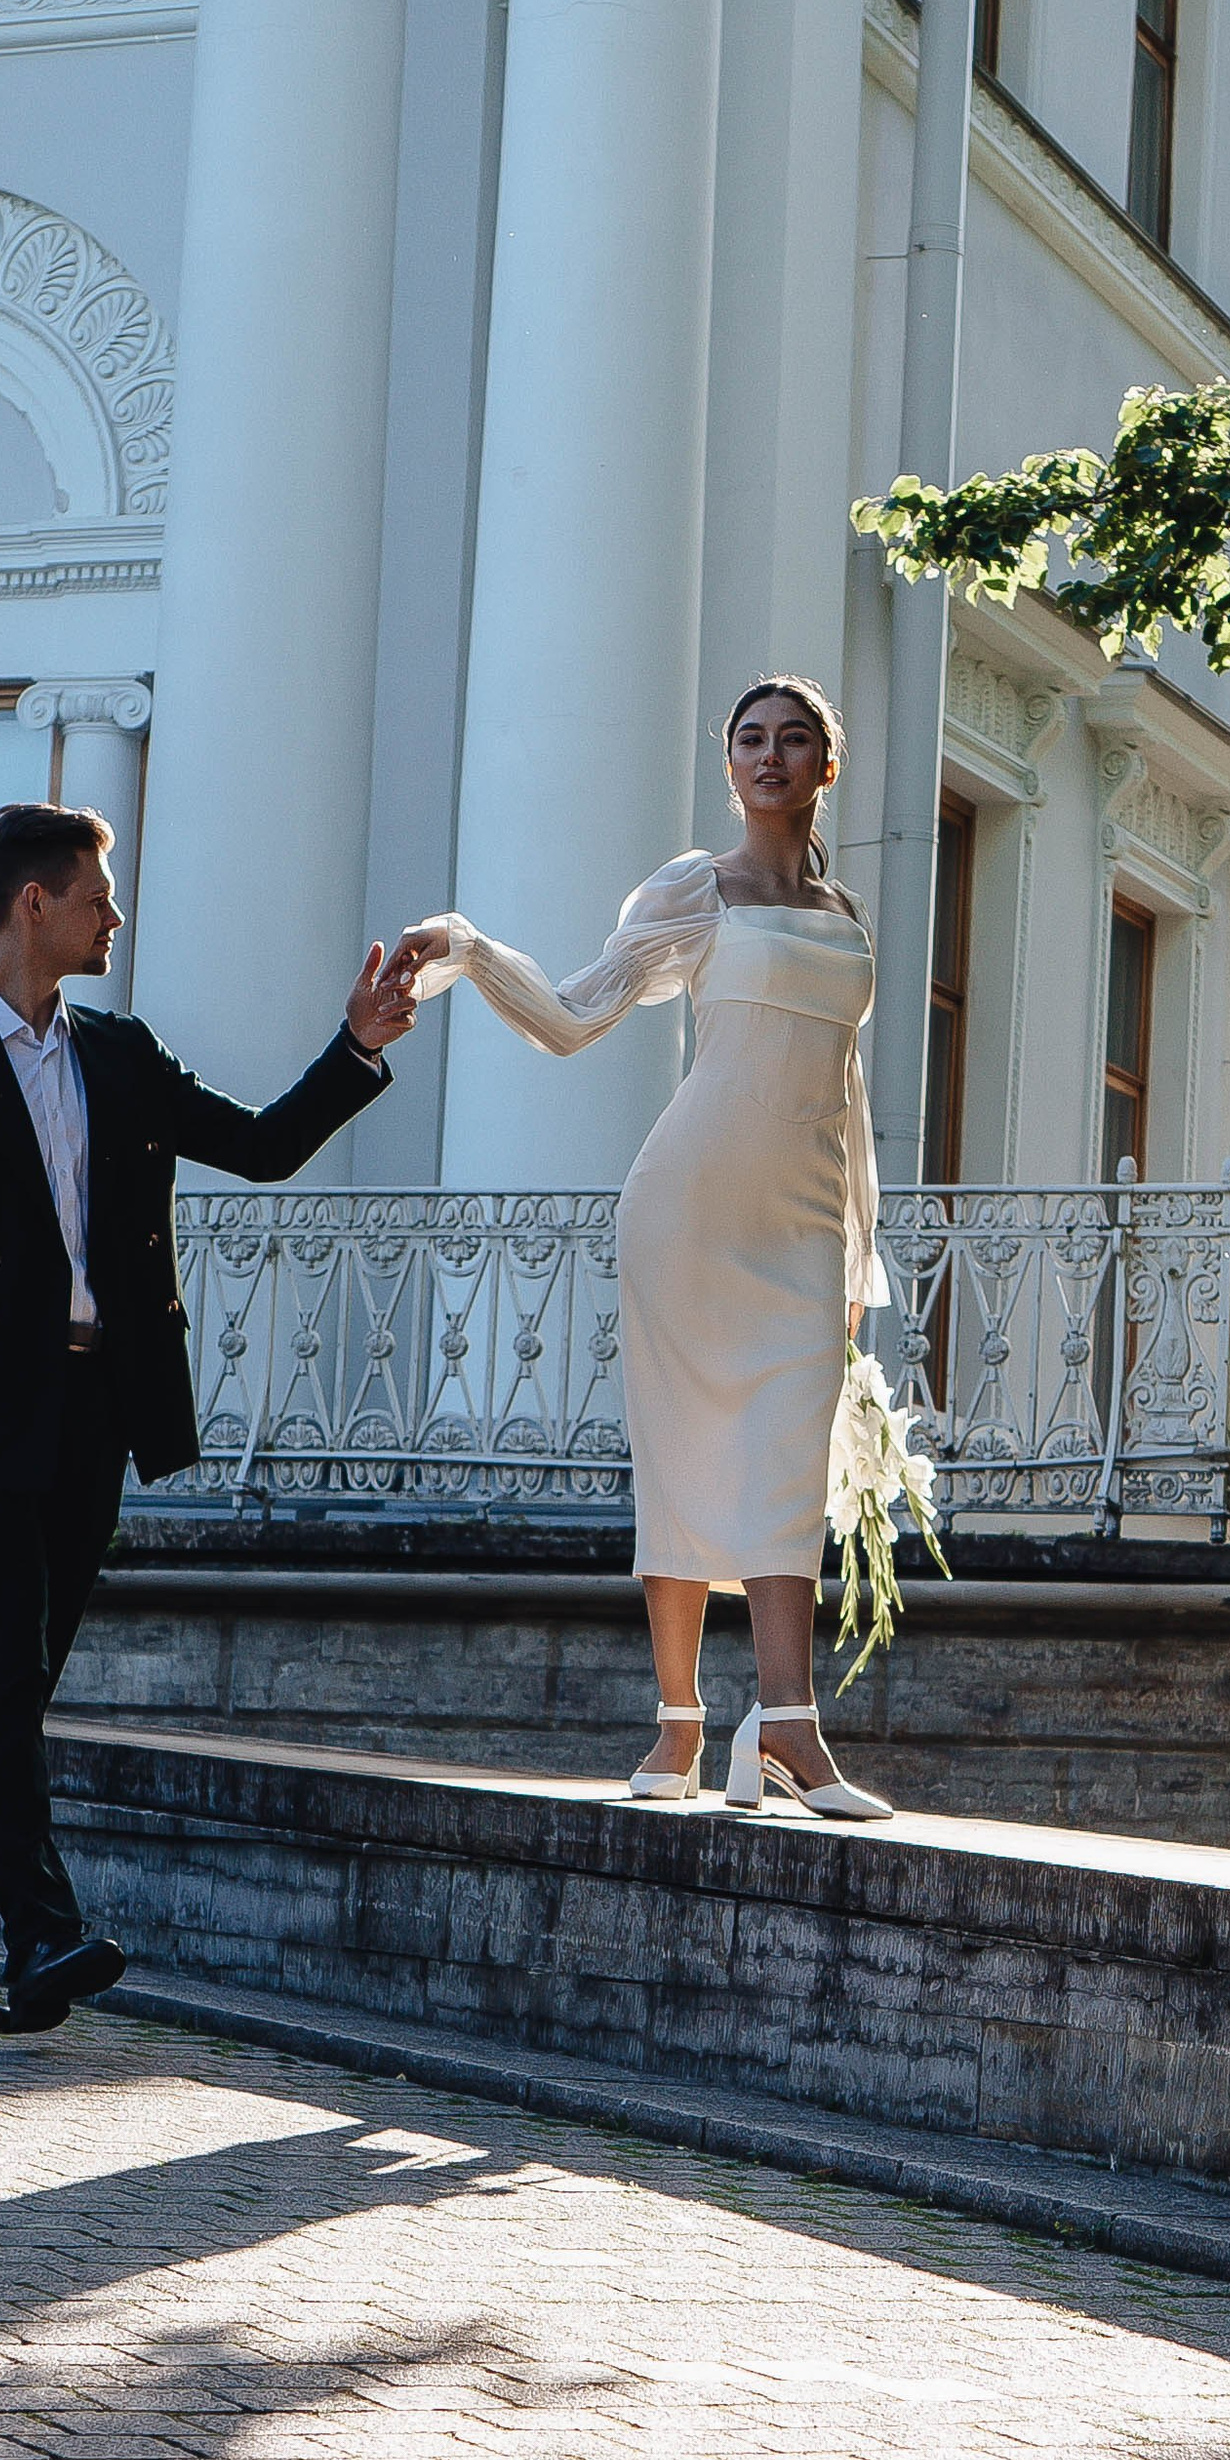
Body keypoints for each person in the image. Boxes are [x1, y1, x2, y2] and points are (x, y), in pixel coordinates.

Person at [0, 802, 422, 2031]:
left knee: (11, 1682)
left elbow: (260, 1148)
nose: (117, 915)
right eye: (100, 895)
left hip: (96, 1404)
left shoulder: (121, 1051)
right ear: (33, 904)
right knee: (1, 1671)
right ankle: (43, 1930)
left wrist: (355, 1047)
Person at [403, 677, 893, 1821]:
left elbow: (849, 1092)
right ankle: (679, 1723)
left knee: (787, 1469)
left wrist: (859, 1247)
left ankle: (785, 1734)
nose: (769, 757)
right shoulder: (696, 889)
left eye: (794, 740)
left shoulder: (846, 911)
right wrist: (472, 952)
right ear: (728, 765)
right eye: (749, 740)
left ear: (829, 764)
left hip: (807, 1216)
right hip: (689, 1207)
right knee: (684, 1453)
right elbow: (576, 1017)